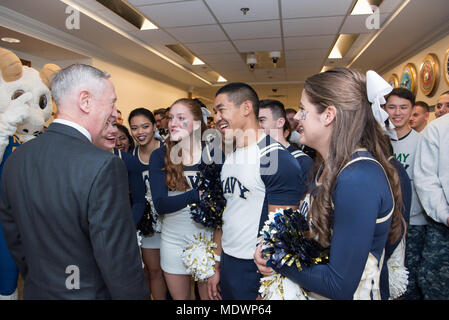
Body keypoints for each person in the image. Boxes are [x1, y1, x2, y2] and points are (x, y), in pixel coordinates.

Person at [254, 68, 405, 300]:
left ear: (328, 115)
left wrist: (277, 258)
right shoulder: (326, 166)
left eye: (303, 109)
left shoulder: (358, 178)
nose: (296, 117)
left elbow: (339, 285)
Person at [0, 63, 148, 299]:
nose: (114, 112)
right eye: (111, 102)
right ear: (85, 101)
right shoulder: (104, 165)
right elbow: (118, 260)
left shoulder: (17, 158)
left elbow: (14, 237)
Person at [207, 82, 304, 300]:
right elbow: (227, 214)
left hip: (256, 269)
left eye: (221, 109)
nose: (217, 117)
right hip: (230, 262)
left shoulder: (275, 158)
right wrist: (217, 264)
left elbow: (282, 234)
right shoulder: (231, 155)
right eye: (215, 112)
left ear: (246, 107)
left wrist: (267, 288)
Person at [149, 98, 220, 300]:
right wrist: (196, 194)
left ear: (197, 123)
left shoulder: (213, 153)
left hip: (207, 241)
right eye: (171, 118)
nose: (172, 123)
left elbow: (221, 206)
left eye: (181, 118)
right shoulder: (159, 155)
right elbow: (161, 205)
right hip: (173, 241)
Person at [384, 87, 427, 300]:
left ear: (412, 111)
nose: (397, 113)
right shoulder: (378, 142)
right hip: (386, 224)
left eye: (403, 107)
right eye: (391, 107)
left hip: (415, 225)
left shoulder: (422, 143)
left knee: (408, 280)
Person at [128, 107, 167, 300]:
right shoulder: (130, 155)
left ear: (154, 127)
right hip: (148, 224)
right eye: (134, 128)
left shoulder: (169, 151)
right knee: (154, 271)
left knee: (175, 272)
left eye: (145, 126)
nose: (140, 132)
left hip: (171, 218)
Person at [414, 113, 449, 299]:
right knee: (436, 285)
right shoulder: (438, 128)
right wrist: (445, 215)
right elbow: (426, 178)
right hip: (444, 227)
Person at [93, 117, 145, 226]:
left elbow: (139, 201)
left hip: (122, 224)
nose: (111, 130)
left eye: (113, 124)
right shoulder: (83, 158)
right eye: (105, 125)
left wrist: (127, 228)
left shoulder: (128, 160)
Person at [258, 99, 313, 180]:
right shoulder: (255, 156)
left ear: (280, 123)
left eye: (261, 120)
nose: (256, 125)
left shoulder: (300, 160)